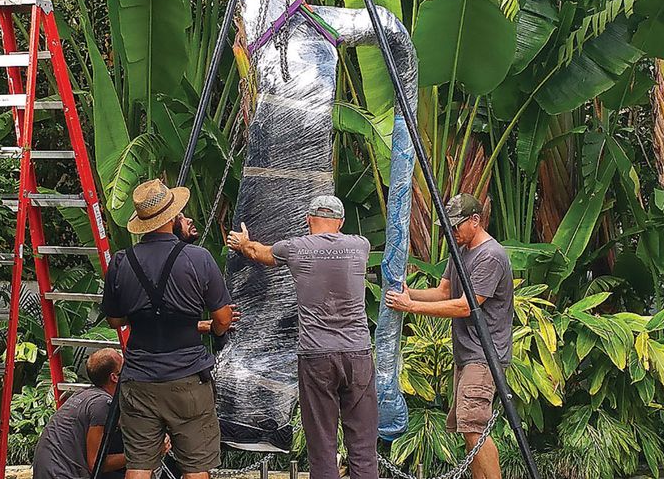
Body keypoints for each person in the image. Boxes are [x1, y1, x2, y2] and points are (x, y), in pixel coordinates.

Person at [225, 195, 377, 479]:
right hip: (357, 354)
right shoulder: (360, 245)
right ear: (341, 222)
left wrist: (243, 243)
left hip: (316, 356)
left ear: (308, 220)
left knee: (322, 445)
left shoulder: (296, 248)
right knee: (363, 446)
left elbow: (260, 253)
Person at [100, 179, 235, 479]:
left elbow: (115, 321)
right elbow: (224, 318)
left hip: (139, 379)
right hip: (187, 379)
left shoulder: (122, 262)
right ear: (173, 217)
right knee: (196, 467)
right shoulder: (198, 258)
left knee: (138, 466)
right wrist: (211, 327)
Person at [385, 194, 513, 479]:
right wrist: (408, 293)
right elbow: (444, 292)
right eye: (448, 228)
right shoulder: (461, 251)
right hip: (466, 355)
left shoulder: (490, 255)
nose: (451, 233)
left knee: (474, 427)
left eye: (456, 226)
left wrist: (413, 307)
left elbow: (466, 305)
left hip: (485, 355)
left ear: (475, 220)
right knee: (469, 430)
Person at [33, 349, 127, 479]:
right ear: (114, 377)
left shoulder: (83, 394)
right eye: (125, 367)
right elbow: (95, 464)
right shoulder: (101, 404)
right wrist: (143, 455)